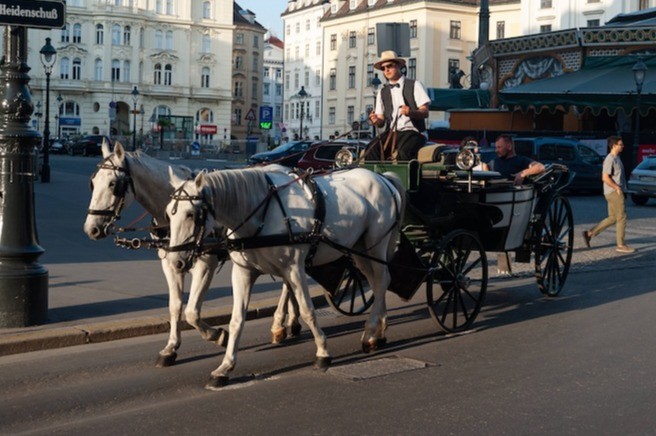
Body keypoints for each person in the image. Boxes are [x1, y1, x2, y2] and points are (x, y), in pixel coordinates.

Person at [487, 134, 545, 276]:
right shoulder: (494, 162)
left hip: (515, 205)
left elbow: (540, 167)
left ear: (509, 146)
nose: (497, 150)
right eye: (496, 147)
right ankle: (504, 269)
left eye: (499, 147)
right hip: (495, 202)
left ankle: (505, 269)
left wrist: (523, 173)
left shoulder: (521, 161)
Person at [367, 50, 431, 161]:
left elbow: (425, 112)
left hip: (413, 131)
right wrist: (375, 120)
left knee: (404, 152)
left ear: (398, 66)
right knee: (370, 149)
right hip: (392, 132)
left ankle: (406, 178)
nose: (386, 70)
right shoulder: (382, 92)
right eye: (383, 68)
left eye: (389, 66)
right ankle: (379, 177)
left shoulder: (415, 85)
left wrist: (410, 112)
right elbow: (381, 121)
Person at [582, 136, 635, 254]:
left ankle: (590, 233)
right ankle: (620, 245)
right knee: (622, 217)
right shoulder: (610, 159)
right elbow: (604, 177)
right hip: (614, 192)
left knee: (613, 218)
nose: (623, 146)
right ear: (614, 145)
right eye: (620, 144)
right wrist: (617, 188)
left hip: (615, 191)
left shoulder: (617, 158)